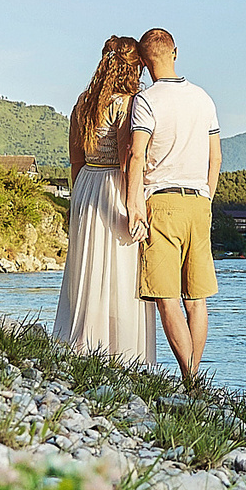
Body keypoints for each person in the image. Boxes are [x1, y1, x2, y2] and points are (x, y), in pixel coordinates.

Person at [123, 27, 220, 384]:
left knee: (166, 297)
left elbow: (137, 154)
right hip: (199, 203)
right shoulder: (204, 98)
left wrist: (134, 204)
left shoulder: (146, 101)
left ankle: (191, 378)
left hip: (162, 202)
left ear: (145, 63)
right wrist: (207, 196)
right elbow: (216, 157)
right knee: (196, 298)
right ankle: (195, 381)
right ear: (175, 52)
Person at [51, 35, 156, 364]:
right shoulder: (128, 104)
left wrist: (78, 198)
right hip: (114, 185)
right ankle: (120, 352)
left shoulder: (83, 103)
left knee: (87, 268)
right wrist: (134, 205)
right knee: (119, 273)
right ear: (133, 66)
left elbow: (75, 160)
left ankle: (80, 341)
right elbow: (128, 160)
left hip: (86, 187)